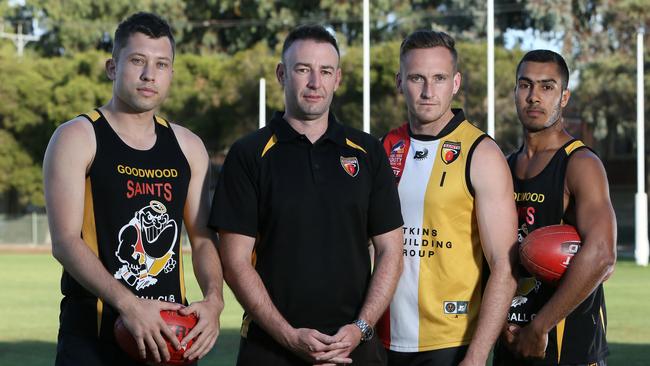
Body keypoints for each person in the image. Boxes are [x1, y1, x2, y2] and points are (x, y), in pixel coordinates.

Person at [209, 25, 404, 366]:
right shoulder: (249, 154)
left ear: (338, 78)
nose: (315, 82)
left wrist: (359, 329)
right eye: (303, 70)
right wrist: (288, 335)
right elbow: (235, 261)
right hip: (270, 349)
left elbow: (391, 251)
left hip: (354, 349)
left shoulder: (368, 152)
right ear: (282, 74)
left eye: (325, 71)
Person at [43, 12, 224, 366]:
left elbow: (202, 239)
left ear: (171, 73)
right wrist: (130, 305)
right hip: (94, 337)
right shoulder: (77, 137)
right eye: (137, 61)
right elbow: (65, 242)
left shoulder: (188, 146)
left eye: (161, 64)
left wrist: (214, 301)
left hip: (171, 335)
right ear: (113, 67)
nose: (149, 75)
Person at [378, 30, 519, 366]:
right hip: (379, 340)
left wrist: (476, 356)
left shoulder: (481, 153)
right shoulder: (383, 148)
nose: (428, 91)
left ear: (455, 83)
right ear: (400, 82)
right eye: (416, 78)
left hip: (450, 345)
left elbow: (505, 265)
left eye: (439, 78)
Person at [493, 50, 616, 366]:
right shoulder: (501, 167)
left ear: (564, 97)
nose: (534, 97)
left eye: (547, 87)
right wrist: (498, 322)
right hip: (511, 341)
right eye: (525, 85)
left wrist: (540, 326)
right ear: (515, 92)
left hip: (567, 348)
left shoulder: (581, 164)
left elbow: (603, 254)